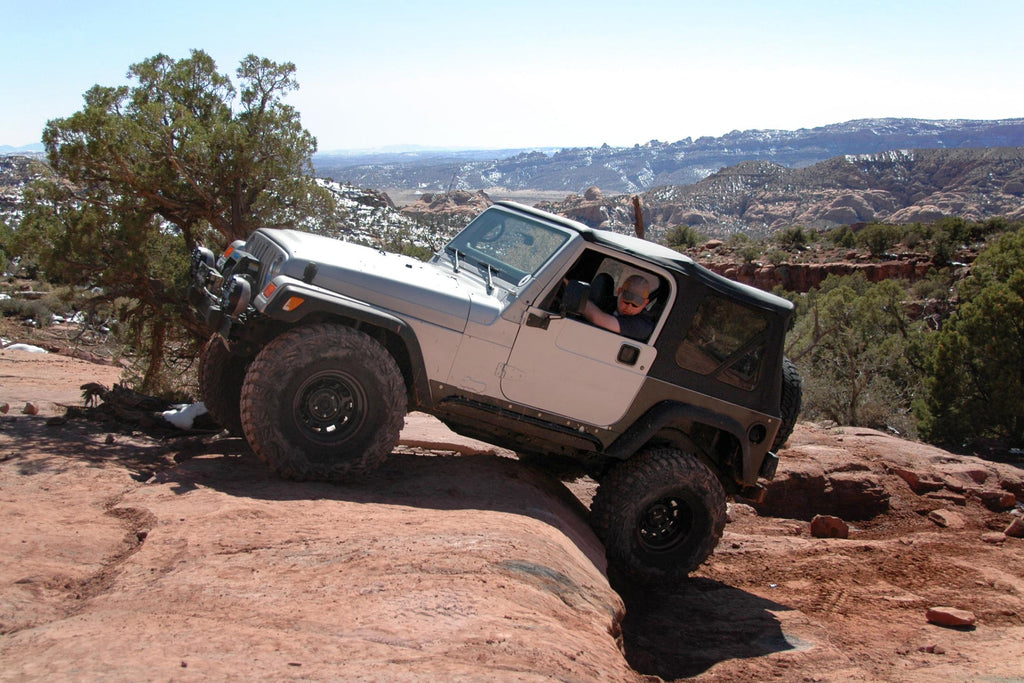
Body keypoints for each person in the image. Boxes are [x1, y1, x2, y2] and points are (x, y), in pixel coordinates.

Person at [581, 274, 655, 341]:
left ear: (645, 303)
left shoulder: (642, 325)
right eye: (626, 302)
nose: (628, 308)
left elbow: (597, 318)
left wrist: (580, 299)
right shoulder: (608, 302)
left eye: (635, 305)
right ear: (619, 292)